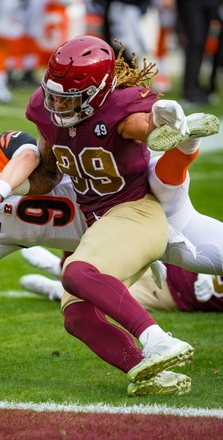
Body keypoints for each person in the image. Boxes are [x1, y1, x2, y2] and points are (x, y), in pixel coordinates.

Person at [23, 35, 211, 393]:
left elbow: (141, 125)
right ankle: (149, 372)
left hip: (137, 213)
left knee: (75, 272)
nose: (58, 104)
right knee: (77, 317)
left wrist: (159, 120)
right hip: (101, 226)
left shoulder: (119, 109)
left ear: (100, 92)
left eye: (69, 97)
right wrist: (0, 188)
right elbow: (47, 175)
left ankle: (159, 340)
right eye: (54, 93)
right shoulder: (45, 111)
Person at [20, 249, 223, 312]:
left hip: (171, 298)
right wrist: (207, 269)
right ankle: (58, 268)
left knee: (104, 300)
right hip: (170, 267)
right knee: (104, 264)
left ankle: (57, 290)